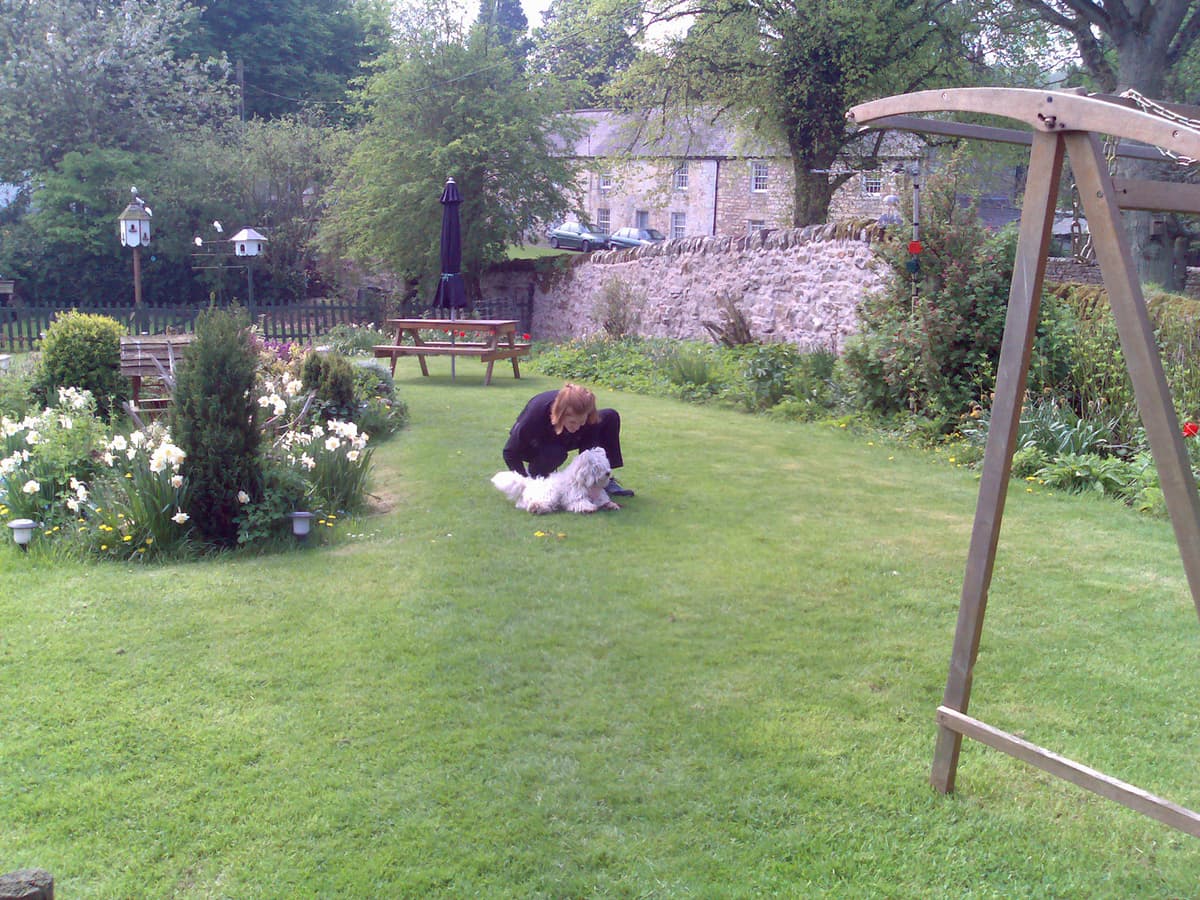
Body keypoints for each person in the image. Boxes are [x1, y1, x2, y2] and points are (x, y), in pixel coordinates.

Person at [502, 383, 634, 496]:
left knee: (610, 416)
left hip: (565, 437)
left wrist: (581, 426)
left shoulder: (584, 413)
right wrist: (526, 483)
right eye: (572, 422)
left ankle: (600, 479)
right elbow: (509, 452)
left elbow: (586, 425)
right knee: (556, 453)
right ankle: (537, 475)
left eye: (581, 421)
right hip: (537, 445)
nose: (577, 427)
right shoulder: (534, 416)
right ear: (560, 414)